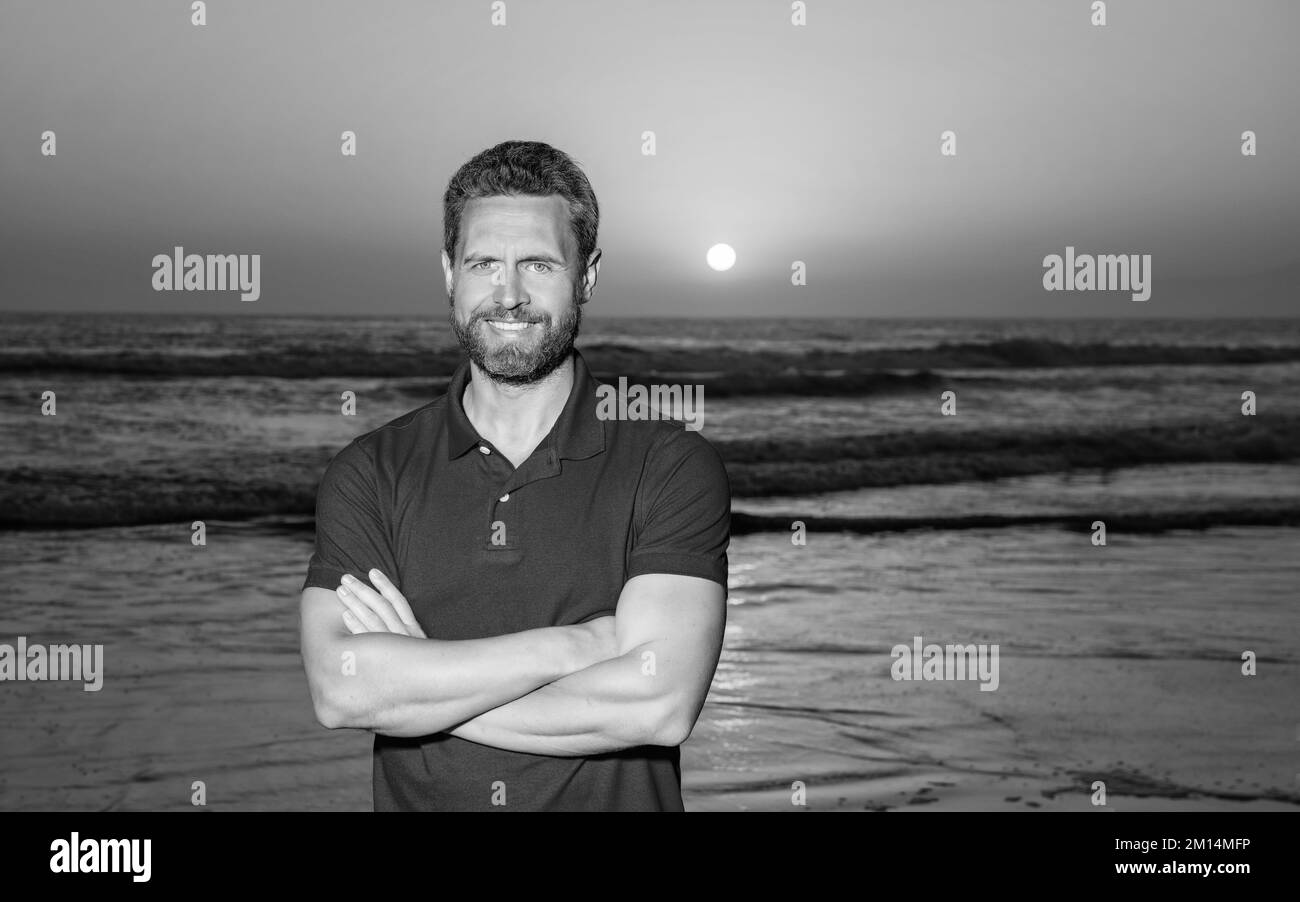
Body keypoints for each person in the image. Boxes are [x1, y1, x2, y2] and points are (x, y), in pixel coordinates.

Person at [298, 140, 731, 811]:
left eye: (537, 264)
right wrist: (573, 646)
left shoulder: (668, 464)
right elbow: (342, 690)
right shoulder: (372, 471)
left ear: (587, 274)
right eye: (482, 263)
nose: (508, 294)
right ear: (449, 272)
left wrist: (421, 687)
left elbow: (658, 703)